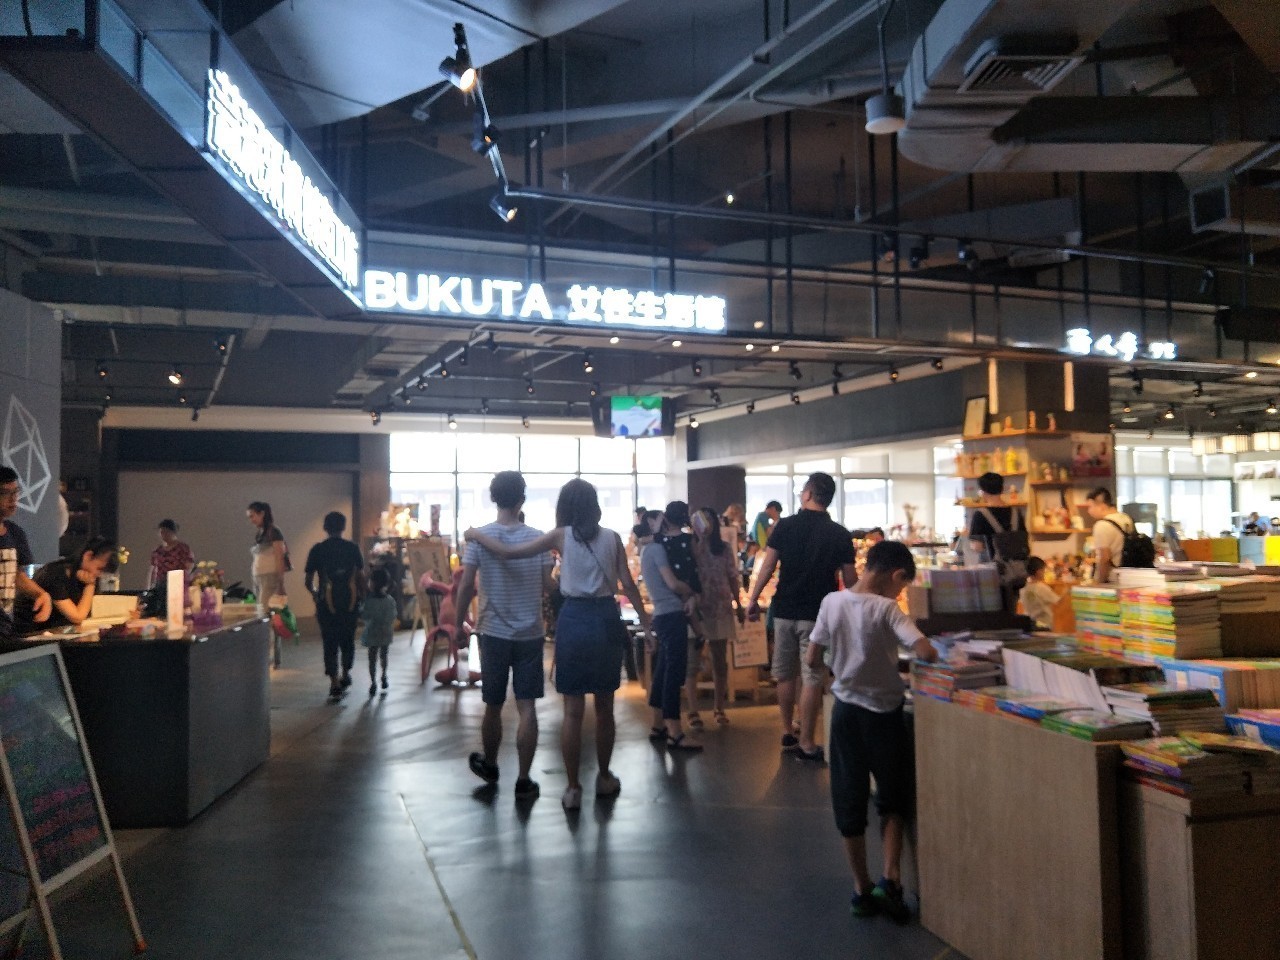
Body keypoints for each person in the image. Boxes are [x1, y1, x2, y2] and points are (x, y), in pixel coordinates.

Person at [466, 478, 652, 812]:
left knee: (573, 711)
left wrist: (476, 535)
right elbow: (627, 584)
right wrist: (646, 623)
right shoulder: (612, 537)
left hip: (574, 621)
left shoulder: (560, 536)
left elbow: (508, 554)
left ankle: (572, 788)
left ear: (564, 506)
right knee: (606, 708)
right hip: (606, 620)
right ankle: (604, 777)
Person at [804, 540, 936, 924]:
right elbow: (924, 650)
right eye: (901, 586)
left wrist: (838, 675)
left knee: (849, 800)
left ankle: (861, 889)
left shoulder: (832, 602)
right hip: (884, 716)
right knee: (891, 798)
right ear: (896, 575)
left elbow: (812, 657)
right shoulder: (887, 609)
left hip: (845, 714)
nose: (899, 594)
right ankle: (890, 879)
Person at [456, 471, 555, 802]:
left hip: (492, 632)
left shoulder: (480, 538)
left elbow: (466, 586)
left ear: (493, 497)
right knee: (527, 707)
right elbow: (548, 586)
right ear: (522, 498)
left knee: (493, 705)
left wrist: (458, 624)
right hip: (530, 633)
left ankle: (491, 764)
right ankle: (524, 780)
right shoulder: (538, 539)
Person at [745, 472, 857, 762]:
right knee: (812, 676)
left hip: (784, 610)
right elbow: (851, 580)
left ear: (808, 494)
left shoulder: (785, 526)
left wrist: (753, 598)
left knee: (785, 674)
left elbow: (768, 566)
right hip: (819, 614)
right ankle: (807, 741)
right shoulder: (839, 534)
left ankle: (787, 731)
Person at [643, 509, 702, 751]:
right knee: (673, 674)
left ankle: (658, 725)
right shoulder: (657, 550)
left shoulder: (647, 550)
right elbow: (673, 583)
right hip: (671, 613)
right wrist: (691, 591)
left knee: (663, 670)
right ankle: (675, 732)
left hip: (661, 615)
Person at [686, 506, 739, 727]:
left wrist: (739, 604)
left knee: (720, 659)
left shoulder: (724, 548)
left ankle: (719, 707)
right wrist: (699, 540)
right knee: (692, 661)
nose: (705, 525)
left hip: (720, 607)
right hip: (697, 609)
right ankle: (693, 711)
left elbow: (732, 576)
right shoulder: (690, 547)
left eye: (709, 520)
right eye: (701, 520)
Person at [304, 511, 365, 699]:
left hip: (326, 602)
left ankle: (334, 682)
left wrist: (316, 594)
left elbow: (308, 580)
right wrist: (362, 597)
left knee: (329, 641)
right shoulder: (352, 548)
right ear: (343, 527)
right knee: (347, 639)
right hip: (350, 601)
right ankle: (346, 674)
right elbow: (360, 576)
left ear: (325, 527)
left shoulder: (318, 549)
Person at [14, 536, 117, 633]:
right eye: (99, 569)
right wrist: (90, 586)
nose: (99, 575)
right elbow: (77, 617)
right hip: (28, 634)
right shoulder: (56, 573)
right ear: (88, 556)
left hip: (53, 633)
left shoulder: (85, 578)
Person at [0, 467, 52, 634]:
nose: (13, 499)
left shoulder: (15, 533)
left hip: (5, 626)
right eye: (5, 493)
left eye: (16, 492)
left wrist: (41, 594)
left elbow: (16, 575)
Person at [964, 473, 1023, 563]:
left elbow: (977, 547)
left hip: (991, 567)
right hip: (1017, 567)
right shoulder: (1016, 512)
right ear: (1002, 489)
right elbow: (1023, 540)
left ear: (983, 492)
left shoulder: (980, 515)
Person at [359, 568, 397, 697]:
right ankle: (384, 676)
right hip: (386, 632)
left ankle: (373, 682)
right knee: (384, 655)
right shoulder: (390, 600)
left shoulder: (369, 601)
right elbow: (393, 616)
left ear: (373, 582)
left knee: (372, 658)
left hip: (372, 632)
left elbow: (364, 615)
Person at [1085, 488, 1133, 584]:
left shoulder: (1102, 525)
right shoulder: (1126, 518)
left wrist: (1100, 582)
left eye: (1090, 507)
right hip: (1129, 576)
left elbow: (1105, 558)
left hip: (1113, 580)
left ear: (1101, 506)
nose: (1089, 511)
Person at [1018, 557, 1063, 630]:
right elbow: (1059, 601)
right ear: (1039, 571)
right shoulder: (1042, 588)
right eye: (1044, 570)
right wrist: (1067, 593)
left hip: (1029, 624)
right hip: (1043, 625)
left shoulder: (1022, 587)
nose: (1044, 573)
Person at [148, 519, 193, 589]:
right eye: (161, 532)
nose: (163, 535)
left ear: (172, 532)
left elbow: (189, 566)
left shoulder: (182, 548)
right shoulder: (158, 550)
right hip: (160, 585)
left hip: (177, 583)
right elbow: (153, 569)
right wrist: (150, 586)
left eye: (165, 532)